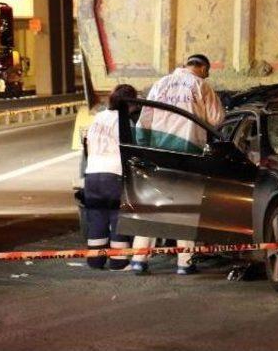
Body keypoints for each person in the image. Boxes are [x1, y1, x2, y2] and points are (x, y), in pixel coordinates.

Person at [130, 54, 225, 275]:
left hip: (158, 153)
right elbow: (216, 119)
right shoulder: (201, 85)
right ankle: (185, 263)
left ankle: (139, 260)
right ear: (202, 68)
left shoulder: (160, 84)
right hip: (188, 154)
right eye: (207, 71)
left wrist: (146, 150)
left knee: (152, 207)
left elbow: (144, 121)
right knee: (185, 209)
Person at [83, 84, 137, 270]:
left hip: (92, 174)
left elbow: (87, 144)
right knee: (118, 218)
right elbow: (130, 151)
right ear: (130, 103)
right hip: (113, 175)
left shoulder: (98, 118)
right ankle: (118, 262)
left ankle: (95, 260)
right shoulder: (124, 122)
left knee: (97, 217)